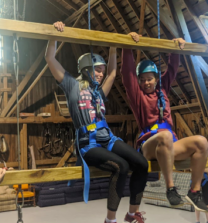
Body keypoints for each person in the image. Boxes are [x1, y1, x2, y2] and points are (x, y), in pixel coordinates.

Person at [45, 22, 148, 223]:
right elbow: (50, 58)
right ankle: (110, 220)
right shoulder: (71, 85)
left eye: (101, 70)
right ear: (85, 69)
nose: (101, 74)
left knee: (142, 163)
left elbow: (113, 73)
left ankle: (132, 213)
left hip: (107, 138)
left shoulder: (99, 92)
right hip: (87, 143)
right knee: (121, 166)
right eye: (97, 70)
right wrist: (53, 34)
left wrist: (113, 44)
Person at [121, 32, 208, 212]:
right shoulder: (137, 96)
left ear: (156, 79)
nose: (146, 83)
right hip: (149, 145)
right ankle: (170, 188)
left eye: (150, 79)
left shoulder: (162, 90)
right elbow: (127, 73)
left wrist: (176, 47)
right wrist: (127, 46)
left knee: (202, 141)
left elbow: (172, 69)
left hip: (170, 144)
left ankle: (195, 190)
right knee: (165, 136)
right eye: (143, 80)